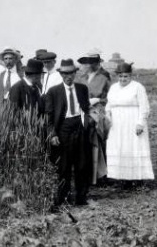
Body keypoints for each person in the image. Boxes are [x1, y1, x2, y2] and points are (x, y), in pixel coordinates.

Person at [45, 59, 93, 206]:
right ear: (60, 74)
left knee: (82, 164)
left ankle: (81, 198)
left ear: (75, 73)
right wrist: (52, 134)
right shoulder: (53, 92)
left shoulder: (82, 89)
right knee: (63, 166)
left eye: (71, 73)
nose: (68, 76)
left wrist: (89, 124)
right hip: (63, 129)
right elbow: (49, 116)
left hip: (79, 127)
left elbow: (87, 109)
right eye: (65, 73)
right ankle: (63, 199)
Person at [105, 62, 154, 186]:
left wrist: (140, 123)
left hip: (132, 121)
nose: (123, 79)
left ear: (130, 76)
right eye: (120, 76)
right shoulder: (113, 87)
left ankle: (138, 179)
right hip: (117, 124)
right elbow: (108, 104)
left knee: (134, 148)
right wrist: (108, 115)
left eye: (125, 76)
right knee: (120, 148)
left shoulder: (137, 87)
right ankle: (123, 179)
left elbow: (144, 107)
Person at [77, 49, 111, 185]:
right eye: (86, 63)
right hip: (84, 109)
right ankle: (89, 173)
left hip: (98, 110)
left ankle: (101, 174)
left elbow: (109, 96)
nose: (87, 65)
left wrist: (97, 101)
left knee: (97, 139)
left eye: (90, 62)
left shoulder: (104, 77)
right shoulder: (83, 77)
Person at [0, 47, 23, 123]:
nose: (8, 61)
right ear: (3, 60)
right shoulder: (0, 76)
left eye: (10, 58)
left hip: (16, 115)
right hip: (1, 114)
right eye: (5, 59)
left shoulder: (20, 77)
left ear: (15, 60)